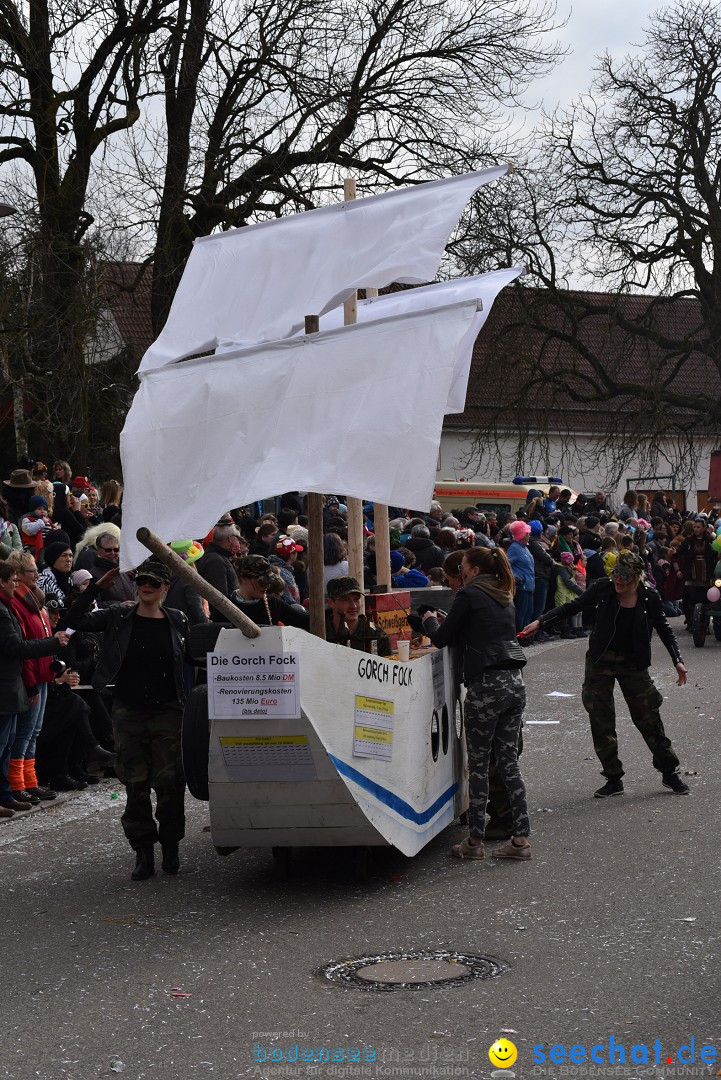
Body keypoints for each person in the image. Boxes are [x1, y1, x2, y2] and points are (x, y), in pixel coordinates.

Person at [522, 552, 689, 798]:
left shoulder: (649, 596)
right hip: (601, 659)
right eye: (616, 575)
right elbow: (574, 606)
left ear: (637, 577)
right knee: (600, 718)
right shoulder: (603, 588)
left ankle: (669, 772)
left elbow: (664, 629)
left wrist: (678, 660)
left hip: (634, 663)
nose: (619, 581)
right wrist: (541, 621)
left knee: (648, 717)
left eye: (625, 577)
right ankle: (613, 777)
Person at [66, 559, 190, 880]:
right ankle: (143, 852)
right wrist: (97, 586)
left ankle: (171, 846)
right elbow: (73, 619)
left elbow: (192, 660)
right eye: (141, 581)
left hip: (168, 710)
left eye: (153, 581)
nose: (146, 585)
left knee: (170, 783)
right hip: (129, 710)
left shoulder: (177, 620)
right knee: (135, 784)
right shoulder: (118, 615)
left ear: (165, 587)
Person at [421, 546, 531, 861]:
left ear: (474, 570)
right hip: (514, 682)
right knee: (509, 763)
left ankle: (475, 842)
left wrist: (429, 621)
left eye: (465, 565)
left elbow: (441, 639)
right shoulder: (503, 594)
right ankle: (521, 839)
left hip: (486, 686)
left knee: (480, 765)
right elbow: (485, 631)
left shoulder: (469, 595)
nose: (462, 570)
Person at [0, 560, 69, 816]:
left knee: (28, 733)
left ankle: (23, 784)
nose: (37, 576)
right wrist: (51, 645)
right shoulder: (10, 606)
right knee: (17, 736)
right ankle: (15, 787)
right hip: (17, 679)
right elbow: (18, 647)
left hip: (34, 674)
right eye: (29, 572)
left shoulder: (31, 602)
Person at [231, 555, 309, 628]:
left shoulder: (272, 603)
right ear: (243, 579)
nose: (267, 586)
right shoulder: (225, 605)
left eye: (268, 581)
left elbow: (303, 621)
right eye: (262, 582)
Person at [325, 576, 391, 655]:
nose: (353, 606)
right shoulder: (321, 633)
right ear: (330, 602)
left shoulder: (376, 635)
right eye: (345, 600)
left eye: (356, 599)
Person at [197, 522, 241, 620]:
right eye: (237, 537)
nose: (239, 541)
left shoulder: (218, 557)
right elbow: (221, 598)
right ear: (230, 538)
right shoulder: (215, 561)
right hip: (223, 620)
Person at [506, 520, 535, 635]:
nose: (529, 535)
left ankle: (525, 635)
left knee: (528, 612)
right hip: (521, 586)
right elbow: (507, 564)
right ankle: (519, 635)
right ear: (522, 534)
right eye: (527, 533)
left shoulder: (524, 547)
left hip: (529, 585)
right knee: (521, 613)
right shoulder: (514, 548)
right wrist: (516, 577)